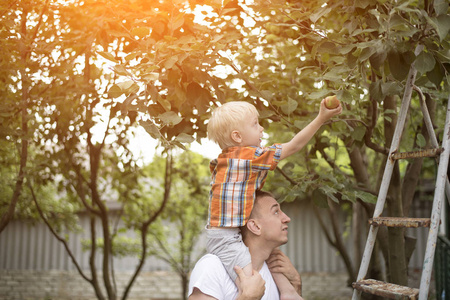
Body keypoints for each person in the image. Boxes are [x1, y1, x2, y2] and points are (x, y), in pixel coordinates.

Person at [205, 99, 342, 295]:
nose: (261, 129)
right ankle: (287, 294)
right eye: (255, 124)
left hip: (230, 232)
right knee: (251, 284)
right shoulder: (248, 158)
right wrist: (321, 118)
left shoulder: (226, 160)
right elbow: (294, 146)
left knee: (271, 256)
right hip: (225, 238)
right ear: (237, 136)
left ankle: (288, 293)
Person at [188, 190, 304, 300]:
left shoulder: (278, 275)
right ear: (255, 226)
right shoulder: (212, 267)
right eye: (276, 212)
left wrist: (296, 285)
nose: (287, 218)